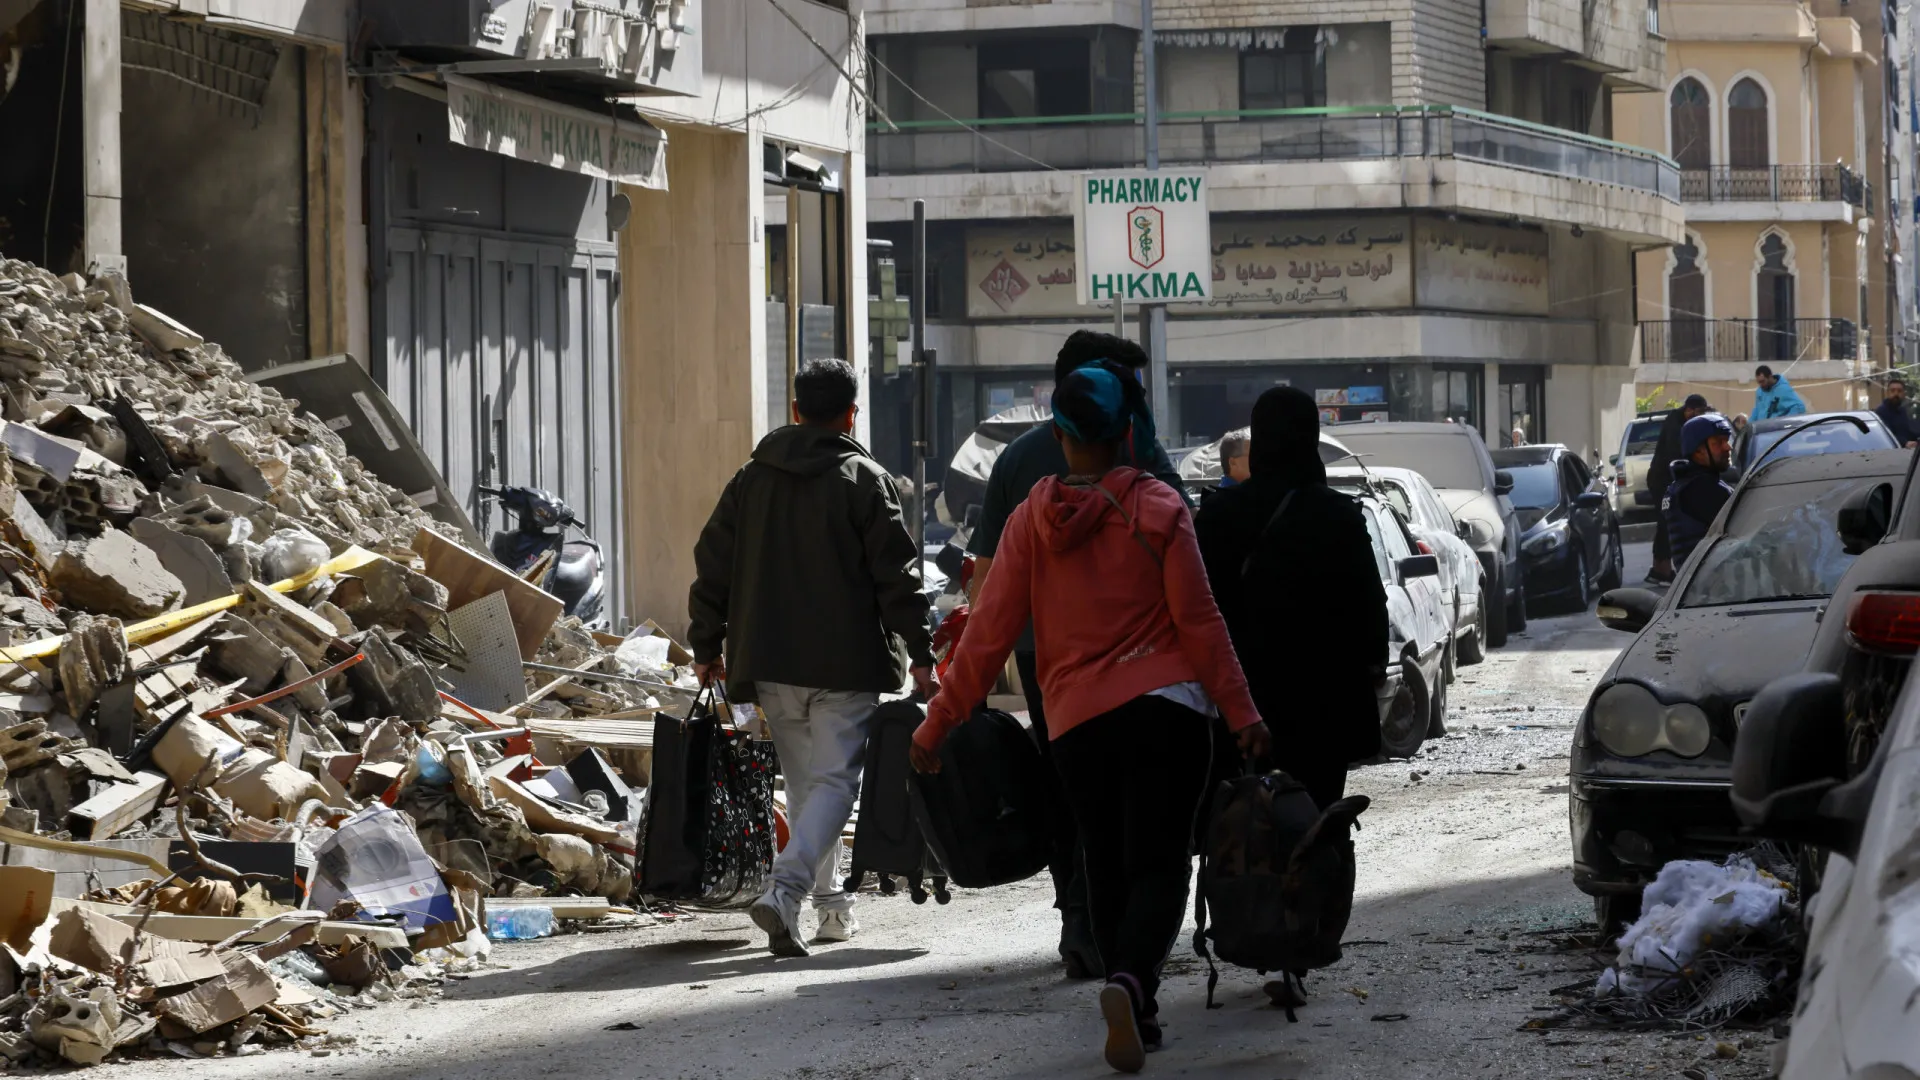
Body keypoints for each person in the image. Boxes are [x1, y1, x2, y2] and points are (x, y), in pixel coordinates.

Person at [914, 364, 1270, 1074]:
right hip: (1167, 714)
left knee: (1102, 860)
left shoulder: (1030, 522)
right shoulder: (1159, 508)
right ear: (1127, 433)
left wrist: (938, 722)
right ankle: (1134, 984)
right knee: (1160, 859)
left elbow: (987, 634)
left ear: (1061, 436)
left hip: (1076, 724)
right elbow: (1201, 625)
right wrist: (1242, 713)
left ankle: (1127, 991)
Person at [688, 358, 936, 958]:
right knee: (833, 786)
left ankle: (831, 910)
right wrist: (922, 651)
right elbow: (896, 576)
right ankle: (788, 890)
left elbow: (711, 559)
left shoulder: (752, 478)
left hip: (769, 658)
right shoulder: (864, 479)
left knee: (807, 788)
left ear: (795, 412)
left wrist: (706, 643)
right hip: (845, 662)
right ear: (851, 413)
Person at [966, 330, 1185, 978]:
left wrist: (968, 685)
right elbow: (1187, 552)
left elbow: (984, 581)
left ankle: (1081, 923)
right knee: (1134, 806)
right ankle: (1124, 944)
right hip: (1136, 661)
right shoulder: (1139, 452)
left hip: (1048, 663)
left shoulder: (1016, 461)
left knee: (1071, 791)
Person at [1192, 386, 1387, 1011]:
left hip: (1240, 700)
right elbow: (1368, 606)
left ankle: (1247, 932)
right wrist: (1371, 674)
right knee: (1312, 823)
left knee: (1243, 823)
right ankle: (1299, 948)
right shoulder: (1337, 515)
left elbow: (1196, 610)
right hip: (1322, 702)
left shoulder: (1219, 518)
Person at [1645, 394, 1713, 584]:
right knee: (1667, 521)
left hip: (1669, 478)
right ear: (1688, 410)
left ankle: (1660, 568)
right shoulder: (1676, 426)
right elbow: (1679, 455)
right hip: (1662, 480)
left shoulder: (1682, 420)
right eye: (1697, 413)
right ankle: (1662, 569)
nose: (1699, 417)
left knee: (1666, 522)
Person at [1662, 412, 1735, 570]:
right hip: (1714, 586)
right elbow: (1746, 529)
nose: (1727, 447)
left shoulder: (1681, 485)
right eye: (1718, 442)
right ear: (1698, 450)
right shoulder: (1703, 489)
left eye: (1726, 440)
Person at [1876, 376, 1919, 448]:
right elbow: (1887, 434)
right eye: (1892, 390)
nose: (1896, 394)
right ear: (1887, 393)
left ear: (1904, 394)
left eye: (1899, 391)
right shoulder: (1881, 412)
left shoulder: (1902, 411)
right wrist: (1905, 443)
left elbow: (1909, 431)